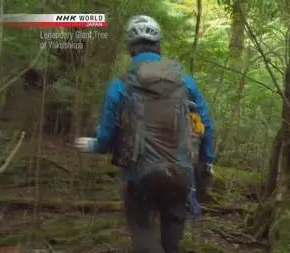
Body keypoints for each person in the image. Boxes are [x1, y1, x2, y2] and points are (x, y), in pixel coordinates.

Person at [73, 15, 215, 253]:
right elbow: (206, 125)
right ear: (159, 46)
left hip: (139, 176)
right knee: (173, 230)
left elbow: (107, 138)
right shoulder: (185, 81)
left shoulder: (120, 85)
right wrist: (208, 161)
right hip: (181, 173)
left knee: (141, 227)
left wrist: (92, 144)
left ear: (130, 49)